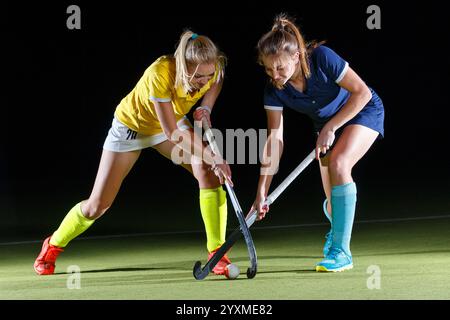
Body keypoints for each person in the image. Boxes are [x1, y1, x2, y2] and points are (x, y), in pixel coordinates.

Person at [34, 30, 234, 277]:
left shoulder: (213, 69)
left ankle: (217, 253)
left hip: (168, 122)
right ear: (184, 68)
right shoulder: (160, 73)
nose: (205, 81)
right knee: (97, 205)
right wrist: (215, 157)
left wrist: (206, 107)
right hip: (133, 127)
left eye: (208, 75)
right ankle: (52, 245)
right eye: (198, 77)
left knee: (207, 172)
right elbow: (173, 133)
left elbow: (218, 77)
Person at [251, 14, 384, 272]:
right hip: (326, 129)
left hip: (363, 110)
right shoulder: (274, 90)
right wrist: (262, 190)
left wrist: (332, 127)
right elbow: (274, 140)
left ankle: (341, 253)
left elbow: (362, 92)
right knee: (335, 204)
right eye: (268, 69)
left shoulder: (322, 57)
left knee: (339, 163)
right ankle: (336, 221)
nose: (274, 75)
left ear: (296, 56)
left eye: (279, 67)